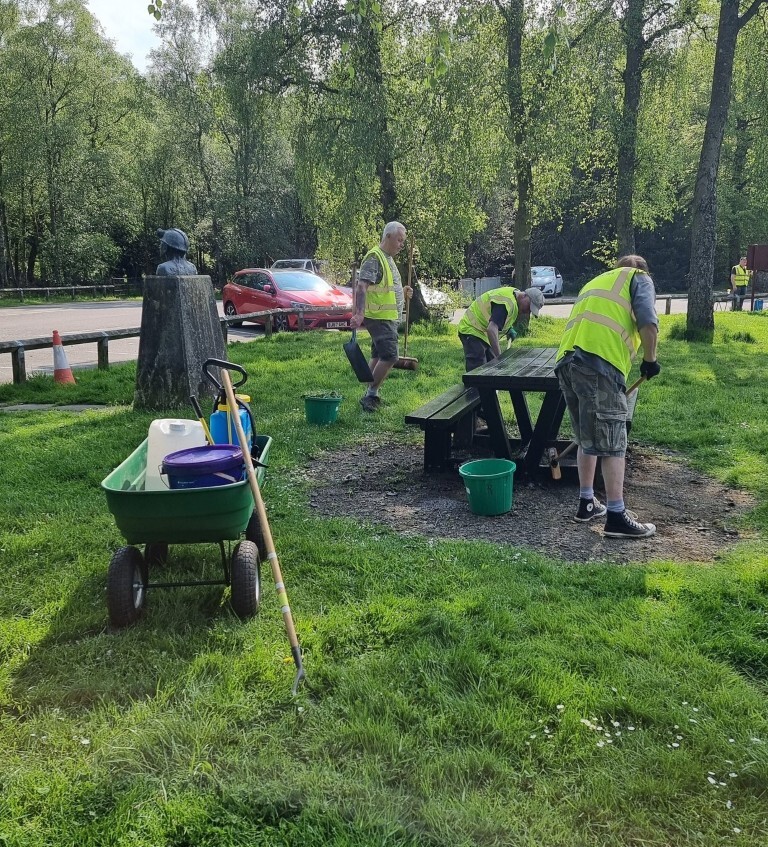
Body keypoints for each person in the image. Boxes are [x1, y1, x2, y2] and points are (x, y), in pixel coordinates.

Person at [555, 255, 660, 539]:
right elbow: (648, 322)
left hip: (567, 362)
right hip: (600, 364)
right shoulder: (639, 279)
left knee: (586, 437)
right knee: (614, 441)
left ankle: (586, 502)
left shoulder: (596, 281)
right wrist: (650, 360)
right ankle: (615, 515)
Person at [350, 221, 412, 412]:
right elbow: (362, 286)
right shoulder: (375, 257)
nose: (401, 245)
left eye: (403, 241)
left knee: (378, 355)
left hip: (386, 315)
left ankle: (371, 393)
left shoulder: (387, 258)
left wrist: (402, 291)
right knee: (391, 356)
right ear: (388, 236)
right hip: (379, 316)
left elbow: (383, 288)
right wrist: (359, 313)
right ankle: (370, 395)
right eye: (399, 240)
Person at [457, 285, 545, 371]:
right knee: (478, 370)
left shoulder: (514, 299)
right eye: (529, 306)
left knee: (492, 367)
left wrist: (508, 329)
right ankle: (474, 385)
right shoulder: (506, 302)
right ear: (524, 295)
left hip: (483, 333)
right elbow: (491, 329)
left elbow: (500, 318)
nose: (528, 311)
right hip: (472, 329)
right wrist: (501, 358)